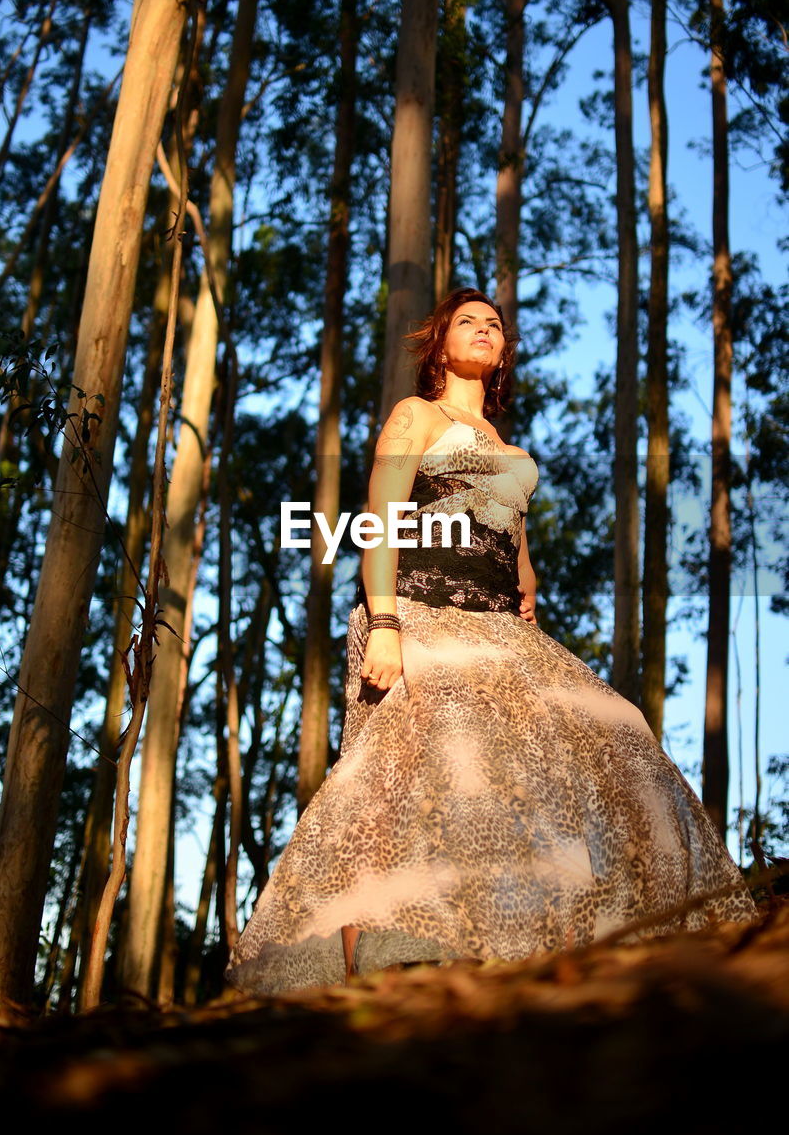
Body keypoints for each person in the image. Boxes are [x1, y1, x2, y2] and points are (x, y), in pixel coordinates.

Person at [225, 287, 756, 994]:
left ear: (504, 352)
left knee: (614, 725)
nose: (485, 330)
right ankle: (372, 962)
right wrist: (384, 624)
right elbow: (377, 521)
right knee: (408, 773)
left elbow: (514, 539)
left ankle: (620, 934)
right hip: (415, 610)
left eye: (495, 325)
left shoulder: (507, 447)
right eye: (467, 321)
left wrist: (528, 588)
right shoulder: (416, 415)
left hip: (498, 624)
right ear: (438, 344)